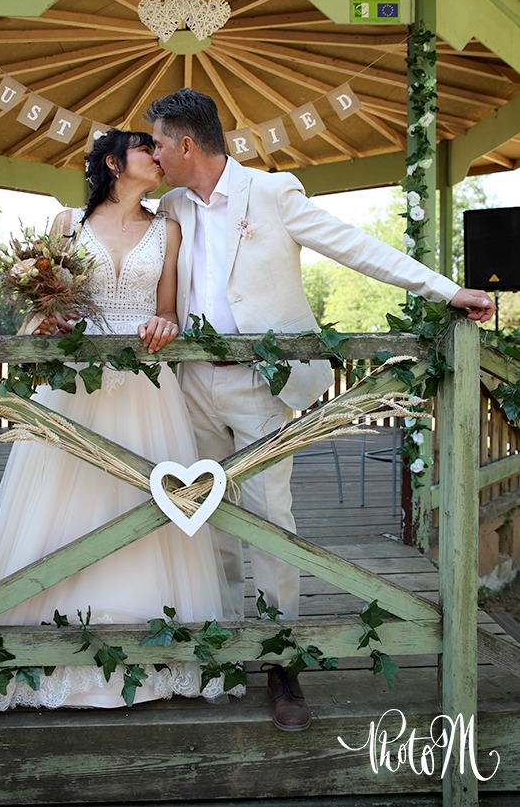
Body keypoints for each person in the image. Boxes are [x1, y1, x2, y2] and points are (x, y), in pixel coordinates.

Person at [145, 87, 496, 732]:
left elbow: (355, 247)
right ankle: (225, 645)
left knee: (269, 517)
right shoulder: (169, 206)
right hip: (189, 383)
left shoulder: (272, 193)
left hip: (262, 384)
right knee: (203, 515)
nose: (154, 155)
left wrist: (447, 291)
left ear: (186, 144)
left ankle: (281, 660)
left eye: (160, 144)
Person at [0, 128, 241, 710]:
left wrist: (164, 325)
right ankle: (43, 641)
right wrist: (49, 320)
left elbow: (167, 312)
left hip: (145, 389)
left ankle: (150, 642)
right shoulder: (66, 224)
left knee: (143, 502)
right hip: (76, 385)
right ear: (113, 163)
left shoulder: (168, 229)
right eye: (145, 150)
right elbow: (43, 308)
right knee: (65, 499)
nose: (157, 158)